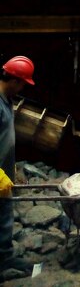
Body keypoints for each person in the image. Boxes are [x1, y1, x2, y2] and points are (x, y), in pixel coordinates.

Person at [0, 56, 35, 280]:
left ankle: (4, 256)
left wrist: (12, 170)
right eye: (22, 83)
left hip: (4, 173)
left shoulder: (7, 99)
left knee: (3, 214)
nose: (23, 88)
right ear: (13, 80)